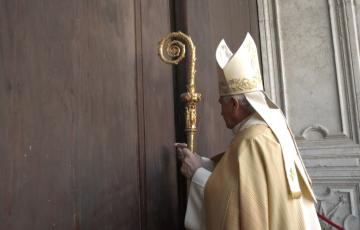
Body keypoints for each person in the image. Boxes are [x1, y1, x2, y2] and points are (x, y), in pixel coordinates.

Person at [175, 33, 321, 230]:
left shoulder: (251, 141)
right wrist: (202, 163)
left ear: (234, 104)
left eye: (221, 103)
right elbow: (240, 178)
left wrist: (197, 174)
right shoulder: (268, 131)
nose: (220, 111)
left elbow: (239, 208)